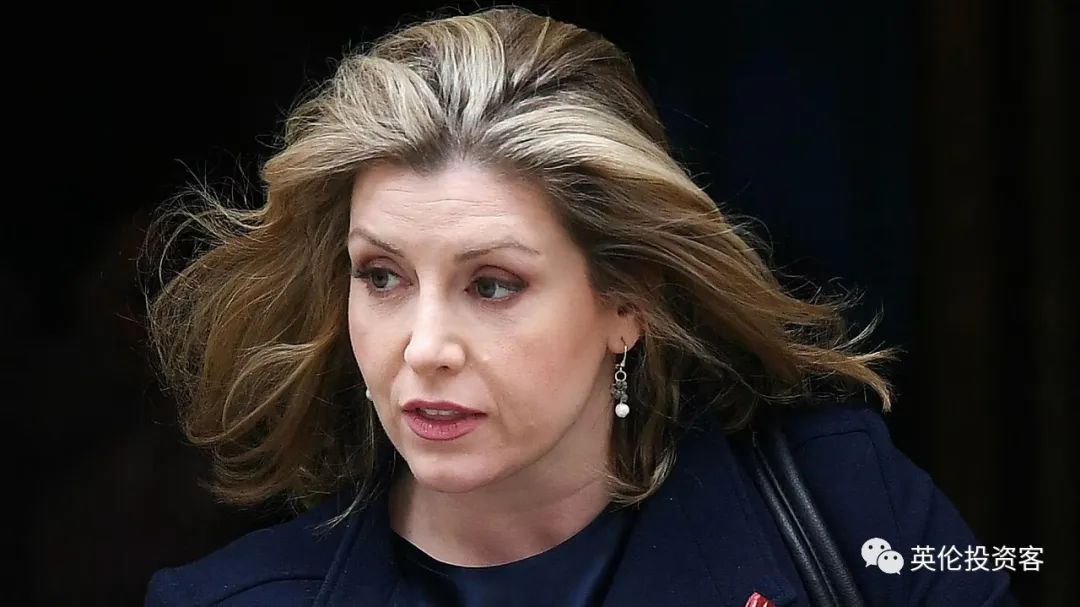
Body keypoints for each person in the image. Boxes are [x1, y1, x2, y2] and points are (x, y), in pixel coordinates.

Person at [142, 6, 1018, 606]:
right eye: (381, 276)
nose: (424, 346)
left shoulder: (847, 507)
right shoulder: (226, 598)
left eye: (492, 284)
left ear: (627, 300)